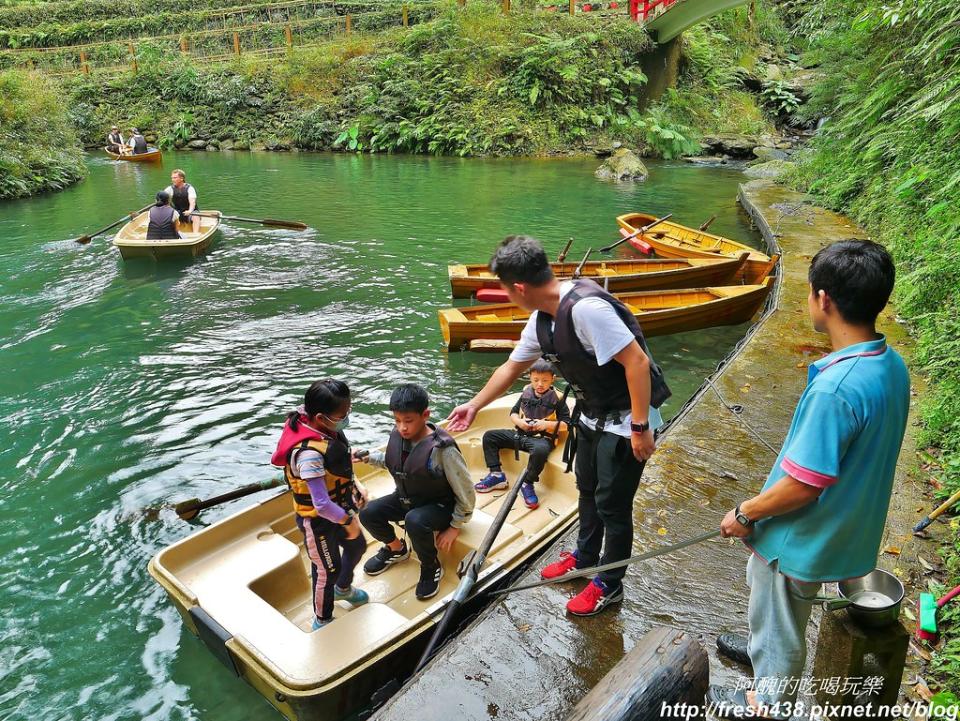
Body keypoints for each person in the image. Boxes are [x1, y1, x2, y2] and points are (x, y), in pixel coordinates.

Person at [707, 240, 910, 719]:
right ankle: (767, 659)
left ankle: (768, 699)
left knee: (778, 608)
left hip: (801, 538)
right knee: (779, 614)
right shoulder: (891, 365)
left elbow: (804, 484)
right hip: (848, 528)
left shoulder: (836, 388)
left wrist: (744, 513)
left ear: (824, 299)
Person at [447, 235, 670, 616]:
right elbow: (511, 367)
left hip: (625, 423)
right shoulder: (541, 321)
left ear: (519, 287)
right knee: (587, 490)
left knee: (613, 507)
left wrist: (639, 427)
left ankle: (609, 584)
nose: (508, 295)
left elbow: (636, 363)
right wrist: (474, 405)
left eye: (505, 289)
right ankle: (585, 557)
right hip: (589, 416)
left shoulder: (587, 311)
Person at [357, 384, 475, 601]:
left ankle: (430, 566)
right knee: (368, 512)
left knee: (415, 520)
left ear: (425, 415)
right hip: (408, 498)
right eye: (397, 421)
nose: (402, 427)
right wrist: (368, 458)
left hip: (440, 507)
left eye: (408, 421)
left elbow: (467, 492)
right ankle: (396, 549)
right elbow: (396, 464)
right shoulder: (400, 437)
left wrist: (455, 526)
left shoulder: (443, 450)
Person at [271, 379, 369, 631]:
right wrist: (348, 521)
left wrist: (355, 482)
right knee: (327, 568)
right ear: (320, 417)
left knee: (357, 546)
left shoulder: (326, 431)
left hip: (341, 508)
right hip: (318, 521)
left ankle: (342, 590)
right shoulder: (309, 455)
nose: (345, 419)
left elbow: (338, 467)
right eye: (342, 415)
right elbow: (321, 504)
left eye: (348, 412)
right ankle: (322, 618)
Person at [474, 358, 571, 510]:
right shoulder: (526, 392)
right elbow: (513, 413)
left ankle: (527, 482)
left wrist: (545, 424)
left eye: (545, 380)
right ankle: (496, 475)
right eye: (536, 380)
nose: (540, 384)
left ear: (553, 379)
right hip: (521, 435)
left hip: (542, 439)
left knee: (540, 450)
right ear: (530, 378)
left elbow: (567, 425)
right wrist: (519, 423)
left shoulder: (558, 399)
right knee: (490, 436)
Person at [163, 169, 200, 234]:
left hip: (191, 212)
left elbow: (192, 202)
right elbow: (161, 197)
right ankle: (168, 234)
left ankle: (195, 234)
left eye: (175, 178)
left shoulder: (190, 188)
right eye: (172, 178)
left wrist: (190, 211)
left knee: (196, 217)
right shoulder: (169, 189)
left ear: (181, 178)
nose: (172, 180)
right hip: (178, 212)